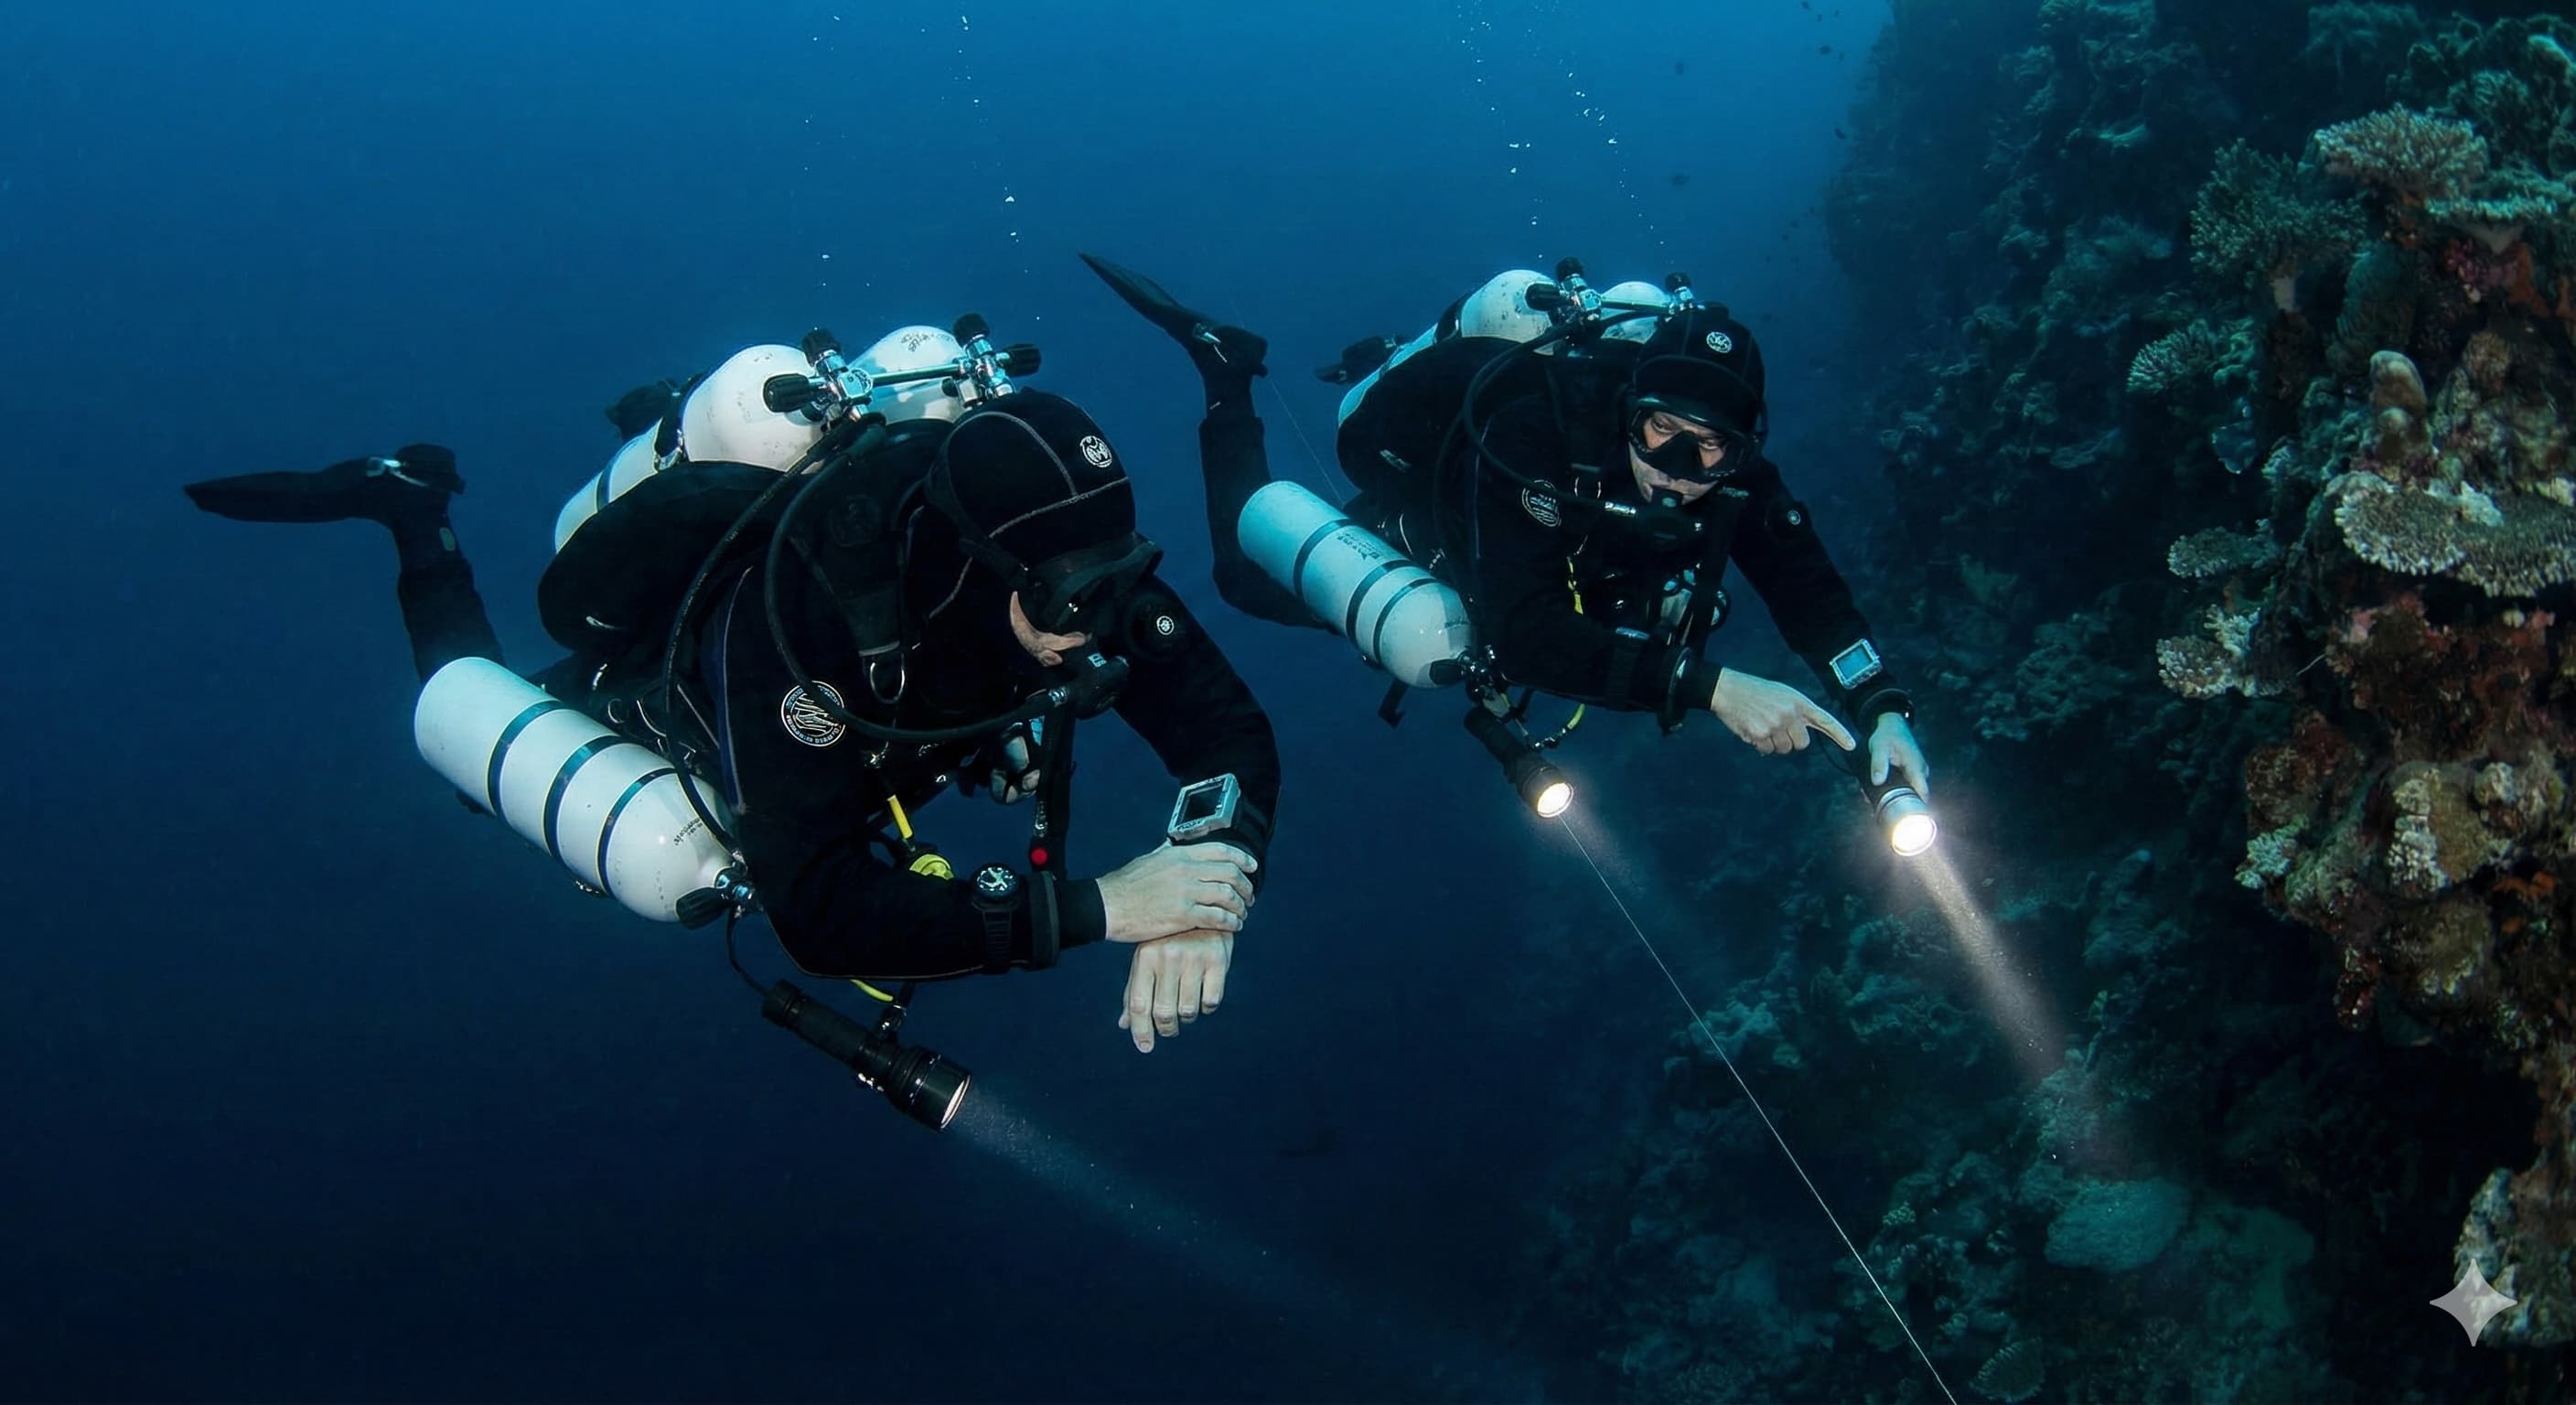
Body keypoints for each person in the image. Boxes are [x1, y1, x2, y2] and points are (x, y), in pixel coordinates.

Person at [183, 323, 1281, 1056]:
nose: (1101, 627)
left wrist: (1206, 879)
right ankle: (414, 515)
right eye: (1071, 598)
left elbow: (1224, 729)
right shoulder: (806, 621)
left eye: (1119, 581)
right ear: (974, 560)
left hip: (908, 731)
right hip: (689, 712)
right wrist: (1103, 909)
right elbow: (819, 911)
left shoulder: (1077, 558)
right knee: (474, 733)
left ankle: (637, 423)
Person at [1079, 252, 1929, 809]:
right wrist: (1714, 687)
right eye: (1661, 431)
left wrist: (1879, 703)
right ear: (1629, 409)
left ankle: (1372, 350)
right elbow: (1522, 632)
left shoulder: (1732, 478)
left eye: (1712, 449)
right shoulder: (1534, 436)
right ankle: (1224, 374)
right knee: (1240, 572)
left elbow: (1804, 582)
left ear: (1742, 452)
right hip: (1450, 502)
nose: (1677, 464)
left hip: (1560, 560)